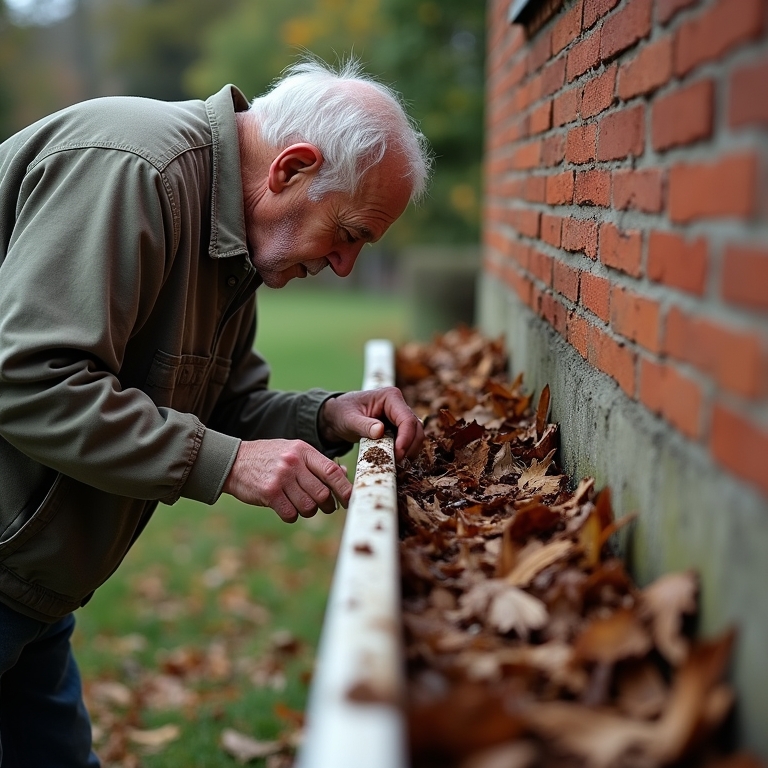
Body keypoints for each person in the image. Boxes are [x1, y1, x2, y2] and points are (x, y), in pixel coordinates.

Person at [0, 57, 430, 765]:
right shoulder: (135, 170)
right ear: (290, 169)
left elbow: (227, 401)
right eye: (349, 232)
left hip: (35, 588)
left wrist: (327, 415)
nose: (345, 265)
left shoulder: (227, 226)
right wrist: (224, 464)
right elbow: (27, 381)